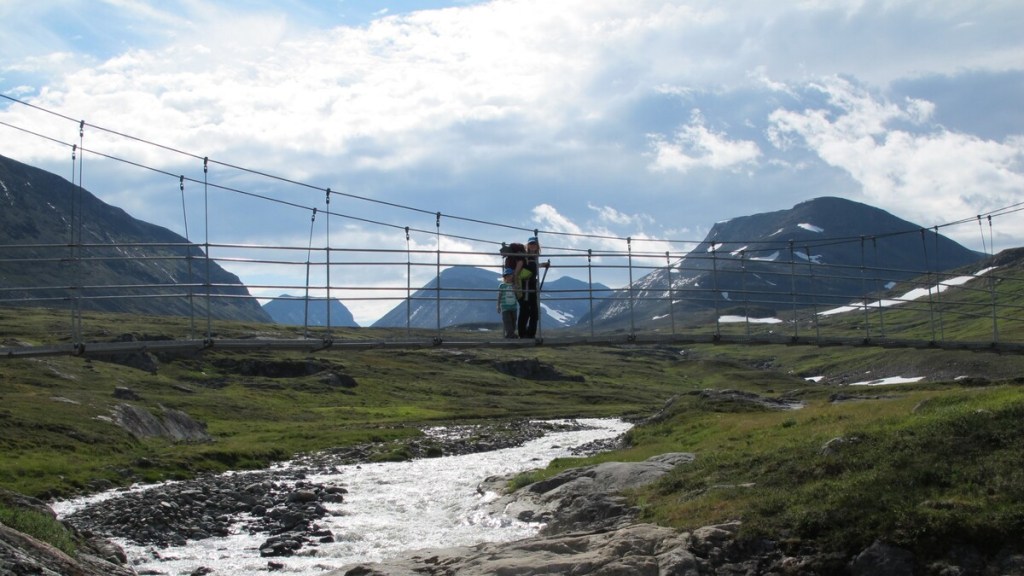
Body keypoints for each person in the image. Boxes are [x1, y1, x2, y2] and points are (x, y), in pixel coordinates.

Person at [517, 236, 548, 338]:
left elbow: (534, 266)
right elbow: (519, 271)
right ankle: (523, 334)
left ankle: (530, 334)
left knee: (533, 312)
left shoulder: (534, 258)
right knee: (525, 310)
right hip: (524, 286)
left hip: (532, 286)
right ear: (528, 245)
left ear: (537, 246)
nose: (533, 245)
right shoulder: (524, 257)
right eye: (531, 244)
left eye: (534, 244)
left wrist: (543, 265)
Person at [496, 268, 519, 338]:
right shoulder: (502, 286)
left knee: (514, 320)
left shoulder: (514, 285)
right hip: (505, 307)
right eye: (507, 276)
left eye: (510, 276)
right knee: (507, 321)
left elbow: (517, 295)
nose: (509, 278)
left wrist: (515, 289)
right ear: (505, 277)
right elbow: (499, 296)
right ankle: (510, 334)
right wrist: (498, 305)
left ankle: (511, 334)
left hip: (513, 307)